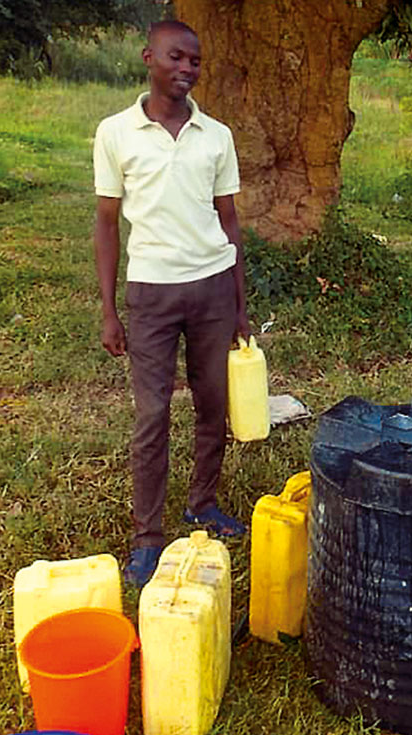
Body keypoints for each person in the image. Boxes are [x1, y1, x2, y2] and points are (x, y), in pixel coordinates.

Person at [93, 20, 251, 586]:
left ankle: (202, 504)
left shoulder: (216, 135)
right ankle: (147, 537)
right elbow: (107, 224)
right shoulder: (116, 133)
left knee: (214, 406)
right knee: (153, 414)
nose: (186, 69)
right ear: (148, 57)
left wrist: (237, 304)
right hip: (152, 295)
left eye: (195, 62)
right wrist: (111, 310)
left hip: (211, 286)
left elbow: (229, 222)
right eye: (176, 58)